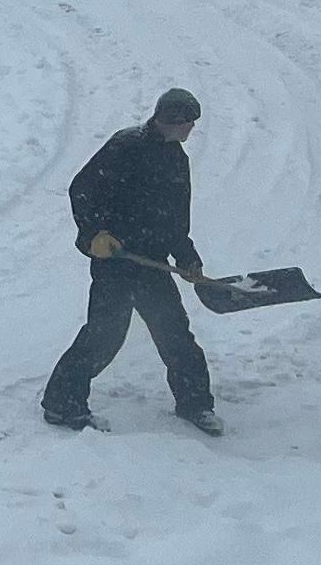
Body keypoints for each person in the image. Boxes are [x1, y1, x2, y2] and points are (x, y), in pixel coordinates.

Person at [40, 86, 221, 435]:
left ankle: (195, 405)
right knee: (104, 335)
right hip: (116, 262)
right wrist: (94, 233)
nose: (191, 129)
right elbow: (82, 189)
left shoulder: (177, 160)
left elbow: (176, 221)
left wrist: (187, 257)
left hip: (150, 262)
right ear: (171, 119)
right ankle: (62, 405)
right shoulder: (126, 146)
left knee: (175, 335)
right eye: (187, 122)